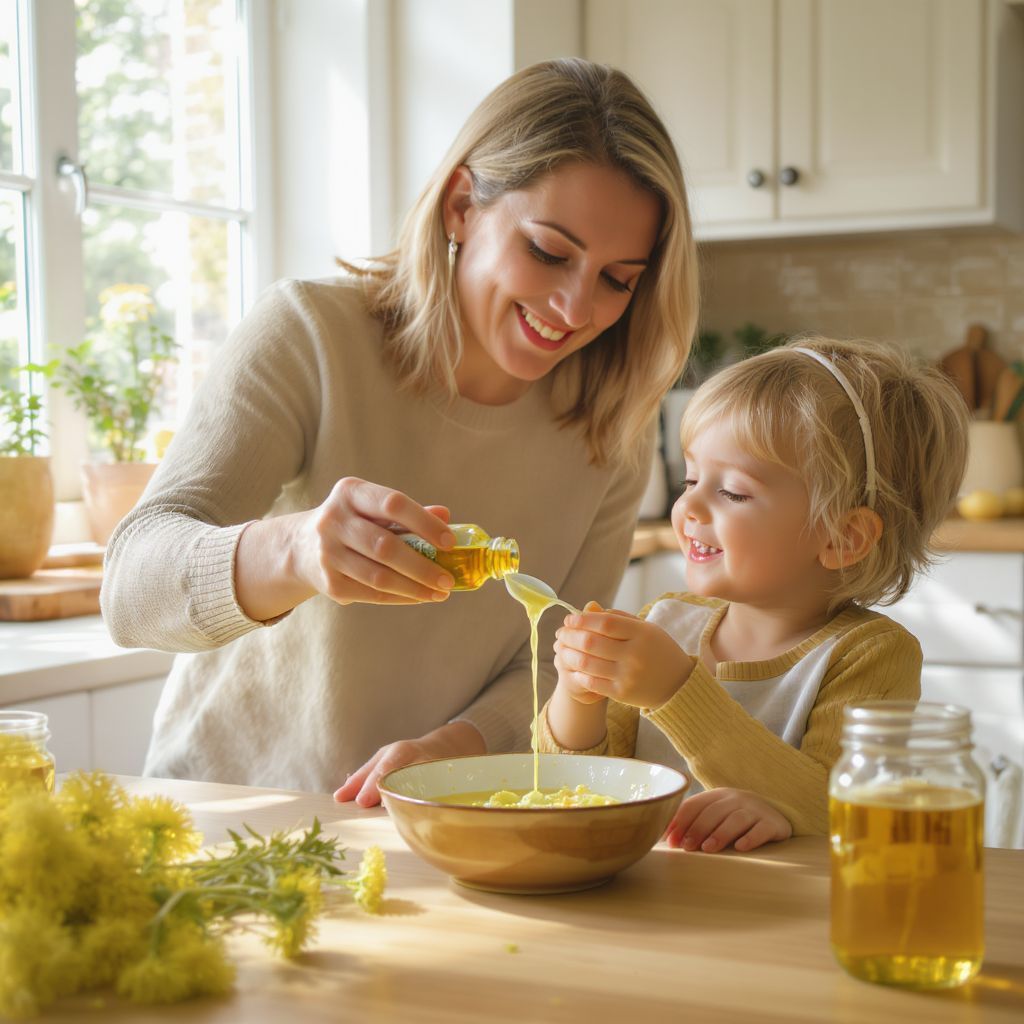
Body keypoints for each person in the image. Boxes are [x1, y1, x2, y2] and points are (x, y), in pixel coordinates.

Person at [101, 59, 700, 799]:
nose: (576, 308)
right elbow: (129, 591)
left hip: (441, 817)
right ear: (461, 206)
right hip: (229, 808)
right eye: (549, 252)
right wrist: (294, 550)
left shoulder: (612, 422)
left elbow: (556, 661)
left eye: (617, 279)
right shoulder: (311, 335)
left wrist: (454, 751)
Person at [541, 336, 969, 851]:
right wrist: (577, 698)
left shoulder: (870, 656)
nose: (689, 507)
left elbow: (843, 814)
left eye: (733, 492)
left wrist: (677, 691)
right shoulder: (664, 622)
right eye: (691, 479)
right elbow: (570, 794)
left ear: (842, 537)